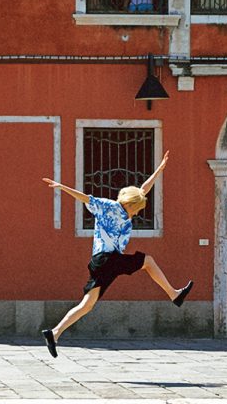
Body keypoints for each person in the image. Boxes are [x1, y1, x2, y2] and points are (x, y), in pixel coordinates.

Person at [40, 150, 192, 358]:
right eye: (138, 209)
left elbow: (143, 190)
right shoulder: (109, 206)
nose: (138, 213)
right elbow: (86, 198)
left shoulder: (127, 206)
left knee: (87, 305)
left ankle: (54, 333)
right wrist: (61, 187)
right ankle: (174, 294)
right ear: (131, 205)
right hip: (107, 259)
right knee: (147, 260)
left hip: (101, 262)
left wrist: (159, 169)